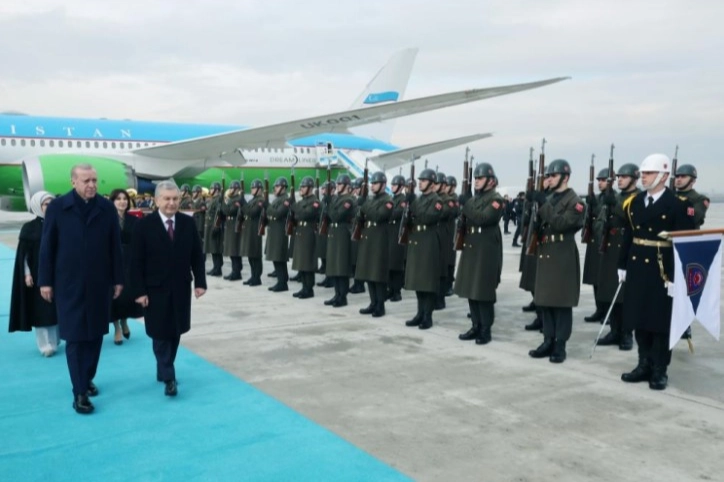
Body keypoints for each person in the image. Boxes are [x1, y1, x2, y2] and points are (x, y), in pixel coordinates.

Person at [38, 164, 124, 414]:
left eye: (94, 180)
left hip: (99, 283)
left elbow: (115, 247)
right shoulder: (58, 208)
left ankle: (86, 377)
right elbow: (47, 246)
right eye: (86, 181)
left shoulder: (106, 208)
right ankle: (79, 392)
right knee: (75, 337)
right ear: (73, 182)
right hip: (68, 283)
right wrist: (45, 281)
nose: (92, 185)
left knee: (96, 335)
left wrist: (118, 279)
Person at [618, 154, 695, 390]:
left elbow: (685, 244)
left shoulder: (678, 205)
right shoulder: (634, 202)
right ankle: (643, 364)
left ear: (663, 176)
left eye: (648, 173)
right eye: (642, 173)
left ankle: (660, 369)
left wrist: (679, 277)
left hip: (663, 268)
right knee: (639, 317)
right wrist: (622, 264)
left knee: (660, 322)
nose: (643, 177)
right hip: (637, 265)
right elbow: (628, 234)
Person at [131, 181, 207, 397]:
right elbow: (135, 262)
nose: (171, 203)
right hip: (154, 289)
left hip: (180, 286)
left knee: (175, 331)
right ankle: (169, 377)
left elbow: (196, 255)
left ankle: (163, 368)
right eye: (167, 199)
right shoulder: (144, 226)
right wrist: (139, 291)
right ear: (157, 201)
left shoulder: (187, 223)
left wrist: (200, 282)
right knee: (160, 333)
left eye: (175, 199)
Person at [527, 159, 585, 363]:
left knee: (561, 302)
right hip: (545, 250)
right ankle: (548, 339)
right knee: (545, 300)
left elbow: (561, 223)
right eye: (548, 176)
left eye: (553, 175)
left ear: (565, 177)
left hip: (562, 253)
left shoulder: (575, 202)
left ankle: (560, 344)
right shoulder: (550, 198)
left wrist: (543, 204)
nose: (549, 179)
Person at [455, 163, 504, 344]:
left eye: (480, 178)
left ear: (491, 181)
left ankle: (485, 329)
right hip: (471, 246)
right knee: (471, 288)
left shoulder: (496, 200)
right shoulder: (475, 199)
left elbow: (484, 218)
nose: (476, 181)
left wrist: (466, 204)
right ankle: (475, 325)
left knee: (483, 291)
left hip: (486, 249)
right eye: (475, 178)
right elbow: (468, 219)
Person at [595, 163, 640, 350]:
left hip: (627, 248)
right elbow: (600, 219)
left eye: (624, 177)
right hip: (611, 247)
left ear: (634, 179)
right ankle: (614, 331)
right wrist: (602, 228)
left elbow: (633, 217)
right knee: (611, 290)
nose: (620, 180)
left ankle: (626, 334)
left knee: (626, 295)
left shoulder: (638, 197)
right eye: (619, 176)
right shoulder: (614, 197)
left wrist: (614, 205)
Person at [9, 191, 59, 356]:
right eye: (46, 204)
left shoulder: (60, 224)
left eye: (52, 204)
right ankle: (45, 345)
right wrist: (27, 274)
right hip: (38, 275)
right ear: (38, 206)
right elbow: (23, 256)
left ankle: (55, 340)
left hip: (58, 274)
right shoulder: (30, 228)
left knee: (56, 308)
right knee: (41, 310)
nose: (49, 207)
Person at [403, 168, 443, 330]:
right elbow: (410, 219)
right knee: (418, 281)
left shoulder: (437, 201)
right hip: (416, 240)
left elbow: (427, 217)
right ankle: (419, 313)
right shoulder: (418, 200)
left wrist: (412, 205)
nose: (420, 183)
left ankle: (428, 316)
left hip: (428, 241)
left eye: (424, 181)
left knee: (428, 282)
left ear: (432, 184)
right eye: (420, 180)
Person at [355, 172, 392, 316]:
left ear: (383, 185)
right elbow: (360, 217)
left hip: (379, 240)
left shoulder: (388, 201)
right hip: (368, 238)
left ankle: (380, 305)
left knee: (378, 274)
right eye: (372, 183)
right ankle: (373, 302)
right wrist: (362, 207)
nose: (372, 186)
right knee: (368, 273)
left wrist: (364, 206)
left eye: (375, 183)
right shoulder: (370, 200)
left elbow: (378, 215)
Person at [109, 189, 143, 345]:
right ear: (112, 202)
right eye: (118, 199)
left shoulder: (135, 220)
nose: (122, 202)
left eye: (124, 199)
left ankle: (124, 321)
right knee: (114, 295)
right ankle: (116, 327)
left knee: (127, 295)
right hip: (112, 261)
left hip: (130, 261)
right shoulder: (106, 220)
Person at [323, 175, 355, 307]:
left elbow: (336, 216)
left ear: (347, 186)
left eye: (340, 184)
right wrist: (328, 203)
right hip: (334, 234)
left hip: (342, 234)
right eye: (337, 184)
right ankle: (337, 294)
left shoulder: (348, 200)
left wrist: (329, 203)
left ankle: (343, 297)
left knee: (341, 267)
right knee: (334, 266)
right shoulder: (337, 199)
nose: (337, 186)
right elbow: (327, 215)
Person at [582, 169, 609, 322]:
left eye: (603, 180)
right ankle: (599, 309)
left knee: (605, 280)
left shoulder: (612, 198)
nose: (600, 183)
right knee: (594, 278)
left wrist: (595, 206)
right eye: (599, 180)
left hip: (605, 241)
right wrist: (589, 206)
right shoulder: (596, 198)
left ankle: (609, 312)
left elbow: (604, 215)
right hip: (594, 240)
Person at [291, 176, 321, 298]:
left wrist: (297, 209)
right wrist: (298, 210)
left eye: (303, 187)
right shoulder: (302, 202)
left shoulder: (315, 202)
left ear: (310, 188)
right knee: (301, 262)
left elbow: (305, 214)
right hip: (300, 232)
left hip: (309, 233)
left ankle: (309, 289)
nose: (301, 189)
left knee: (308, 262)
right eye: (301, 187)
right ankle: (304, 287)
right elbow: (296, 214)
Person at [266, 177, 292, 292]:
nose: (275, 189)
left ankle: (283, 282)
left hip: (280, 231)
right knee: (275, 257)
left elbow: (278, 213)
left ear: (283, 187)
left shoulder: (286, 199)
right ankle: (281, 281)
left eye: (277, 186)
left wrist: (268, 207)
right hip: (274, 230)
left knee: (279, 257)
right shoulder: (277, 199)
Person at [241, 179, 266, 285]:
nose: (252, 189)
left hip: (255, 230)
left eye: (254, 188)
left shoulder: (261, 201)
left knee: (255, 254)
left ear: (259, 189)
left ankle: (257, 277)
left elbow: (252, 212)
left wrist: (243, 203)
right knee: (250, 254)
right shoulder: (252, 200)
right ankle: (253, 276)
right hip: (248, 229)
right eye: (252, 187)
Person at [387, 175, 408, 302]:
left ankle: (397, 291)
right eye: (392, 185)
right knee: (389, 263)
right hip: (389, 233)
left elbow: (396, 213)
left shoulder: (403, 200)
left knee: (396, 264)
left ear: (400, 187)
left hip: (397, 233)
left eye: (394, 185)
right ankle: (390, 289)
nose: (392, 187)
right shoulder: (391, 198)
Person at [222, 181, 244, 281]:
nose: (230, 190)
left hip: (235, 227)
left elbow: (228, 211)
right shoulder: (232, 199)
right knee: (231, 251)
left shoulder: (237, 200)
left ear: (236, 189)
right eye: (230, 188)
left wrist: (223, 202)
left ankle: (236, 272)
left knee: (234, 250)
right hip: (230, 226)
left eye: (232, 188)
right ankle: (235, 271)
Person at [204, 182, 225, 276]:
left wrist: (216, 226)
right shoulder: (213, 199)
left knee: (216, 248)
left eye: (212, 189)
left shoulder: (218, 200)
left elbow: (219, 214)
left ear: (216, 190)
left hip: (215, 226)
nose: (210, 190)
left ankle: (218, 268)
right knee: (213, 248)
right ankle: (215, 267)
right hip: (210, 226)